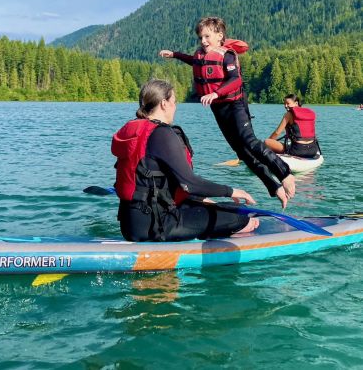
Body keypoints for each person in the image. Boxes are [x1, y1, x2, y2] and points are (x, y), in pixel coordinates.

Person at [159, 16, 295, 209]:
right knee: (241, 152)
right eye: (200, 37)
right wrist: (174, 54)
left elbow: (236, 80)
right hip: (219, 107)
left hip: (235, 105)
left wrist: (215, 93)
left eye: (207, 36)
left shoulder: (227, 55)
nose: (203, 41)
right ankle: (274, 187)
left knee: (249, 142)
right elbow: (194, 61)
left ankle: (285, 174)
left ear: (219, 35)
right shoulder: (202, 55)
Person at [112, 79, 259, 242]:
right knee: (239, 215)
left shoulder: (133, 129)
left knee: (226, 208)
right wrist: (232, 191)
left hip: (130, 224)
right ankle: (232, 230)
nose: (175, 107)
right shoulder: (162, 134)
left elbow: (162, 184)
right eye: (174, 102)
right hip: (157, 226)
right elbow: (190, 184)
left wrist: (202, 200)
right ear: (163, 104)